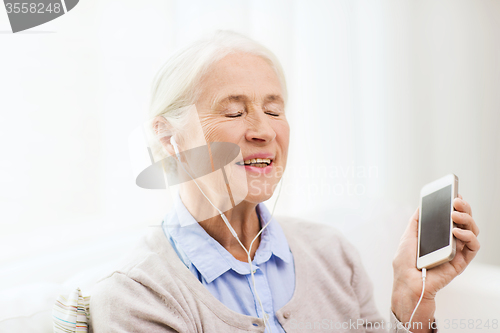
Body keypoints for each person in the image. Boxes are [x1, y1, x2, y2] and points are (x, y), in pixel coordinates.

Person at [89, 30, 480, 333]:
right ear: (168, 140)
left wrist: (412, 302)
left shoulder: (333, 254)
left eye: (274, 109)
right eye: (234, 112)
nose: (263, 130)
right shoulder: (135, 297)